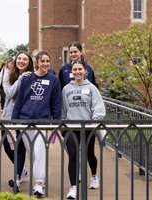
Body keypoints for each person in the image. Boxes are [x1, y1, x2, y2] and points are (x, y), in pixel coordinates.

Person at [12, 51, 61, 197]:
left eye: (48, 61)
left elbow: (56, 103)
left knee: (40, 151)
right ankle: (41, 180)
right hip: (24, 120)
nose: (46, 64)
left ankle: (39, 183)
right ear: (37, 62)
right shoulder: (27, 78)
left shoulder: (53, 80)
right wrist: (14, 122)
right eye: (43, 61)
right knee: (33, 153)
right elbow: (19, 101)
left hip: (43, 121)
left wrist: (56, 122)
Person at [61, 60, 106, 199]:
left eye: (80, 69)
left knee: (89, 154)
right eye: (75, 69)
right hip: (71, 127)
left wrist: (95, 121)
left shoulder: (92, 88)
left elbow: (98, 106)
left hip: (88, 127)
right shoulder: (66, 89)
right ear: (71, 72)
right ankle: (73, 188)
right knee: (73, 155)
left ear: (85, 71)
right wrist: (62, 124)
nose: (77, 72)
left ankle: (94, 175)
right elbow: (63, 108)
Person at [1, 52, 34, 192]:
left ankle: (17, 178)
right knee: (7, 147)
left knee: (20, 149)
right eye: (19, 59)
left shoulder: (33, 76)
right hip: (8, 116)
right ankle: (22, 171)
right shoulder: (8, 75)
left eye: (24, 59)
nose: (21, 61)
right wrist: (20, 79)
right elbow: (9, 94)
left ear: (29, 62)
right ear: (15, 61)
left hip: (23, 117)